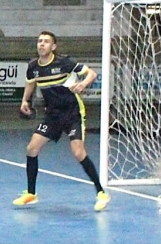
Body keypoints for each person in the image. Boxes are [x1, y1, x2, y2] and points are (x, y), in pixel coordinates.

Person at [13, 31, 110, 211]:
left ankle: (101, 193)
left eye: (46, 42)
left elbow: (92, 74)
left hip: (72, 112)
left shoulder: (64, 62)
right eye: (39, 41)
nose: (41, 44)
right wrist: (25, 100)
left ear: (53, 47)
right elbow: (30, 82)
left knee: (78, 152)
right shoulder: (33, 66)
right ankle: (31, 194)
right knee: (32, 148)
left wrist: (82, 84)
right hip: (52, 115)